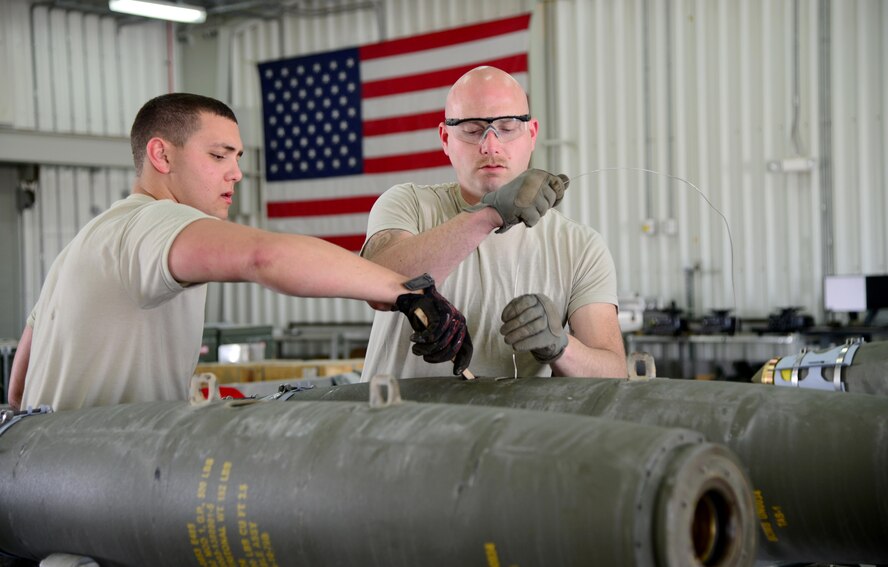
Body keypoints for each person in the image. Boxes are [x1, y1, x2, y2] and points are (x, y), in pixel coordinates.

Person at [8, 93, 471, 411]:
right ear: (161, 156)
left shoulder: (84, 243)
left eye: (237, 159)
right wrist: (403, 290)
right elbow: (263, 257)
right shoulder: (152, 222)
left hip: (42, 488)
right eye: (218, 156)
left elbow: (20, 384)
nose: (236, 174)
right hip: (98, 502)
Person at [359, 66, 627, 380]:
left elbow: (612, 374)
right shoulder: (408, 205)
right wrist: (489, 214)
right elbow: (376, 283)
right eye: (472, 130)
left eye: (508, 127)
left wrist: (561, 347)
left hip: (511, 429)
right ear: (446, 138)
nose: (490, 146)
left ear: (532, 135)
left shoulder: (579, 246)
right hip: (394, 426)